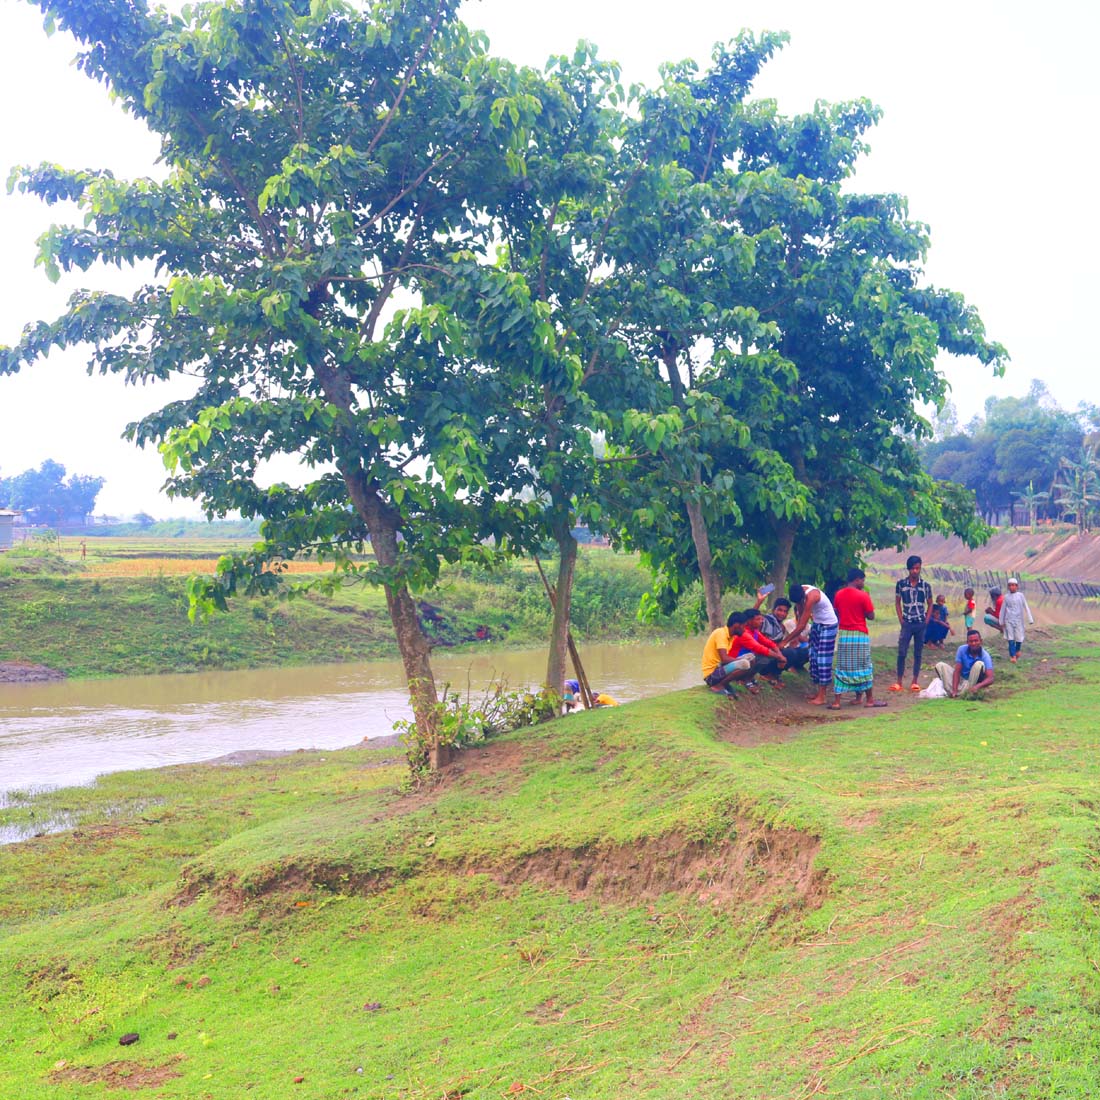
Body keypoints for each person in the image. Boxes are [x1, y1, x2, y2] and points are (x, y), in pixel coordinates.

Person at [828, 568, 884, 709]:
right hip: (859, 635)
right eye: (863, 580)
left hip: (844, 635)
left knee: (843, 666)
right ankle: (869, 699)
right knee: (864, 666)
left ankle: (837, 702)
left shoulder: (838, 595)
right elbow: (871, 616)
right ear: (857, 579)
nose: (863, 583)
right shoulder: (863, 595)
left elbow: (838, 612)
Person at [788, 582, 839, 706]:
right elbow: (800, 616)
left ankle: (822, 696)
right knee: (813, 656)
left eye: (800, 601)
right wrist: (794, 638)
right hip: (817, 624)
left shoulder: (812, 596)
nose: (799, 604)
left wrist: (786, 640)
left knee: (823, 660)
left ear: (803, 596)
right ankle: (818, 692)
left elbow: (801, 625)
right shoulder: (799, 593)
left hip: (828, 625)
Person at [891, 555, 933, 693]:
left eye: (918, 568)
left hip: (920, 622)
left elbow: (930, 603)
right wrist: (901, 620)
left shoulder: (925, 586)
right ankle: (899, 682)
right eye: (913, 568)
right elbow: (897, 602)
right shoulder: (901, 584)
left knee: (918, 652)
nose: (915, 571)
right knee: (902, 652)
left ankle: (915, 681)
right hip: (907, 622)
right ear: (908, 569)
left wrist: (926, 620)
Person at [700, 613, 757, 696]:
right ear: (736, 625)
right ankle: (718, 685)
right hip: (711, 676)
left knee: (751, 657)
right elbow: (724, 659)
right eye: (743, 626)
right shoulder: (721, 634)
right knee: (745, 663)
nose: (744, 630)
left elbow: (724, 660)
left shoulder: (731, 637)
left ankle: (728, 683)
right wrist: (741, 661)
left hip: (719, 668)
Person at [735, 608, 790, 687]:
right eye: (758, 619)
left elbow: (769, 643)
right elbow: (759, 648)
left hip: (747, 657)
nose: (761, 621)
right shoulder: (744, 633)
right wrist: (779, 657)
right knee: (762, 659)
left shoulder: (755, 631)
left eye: (761, 619)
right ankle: (743, 679)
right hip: (736, 659)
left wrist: (780, 655)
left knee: (765, 658)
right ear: (749, 621)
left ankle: (749, 677)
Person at [934, 629, 996, 697]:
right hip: (961, 679)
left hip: (972, 682)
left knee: (979, 664)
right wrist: (954, 690)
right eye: (971, 641)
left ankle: (965, 691)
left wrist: (977, 686)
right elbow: (957, 671)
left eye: (976, 641)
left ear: (980, 641)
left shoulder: (985, 656)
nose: (973, 643)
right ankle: (954, 692)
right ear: (967, 642)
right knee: (940, 665)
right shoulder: (961, 649)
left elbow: (990, 678)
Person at [756, 597, 810, 673]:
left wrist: (790, 646)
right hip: (761, 655)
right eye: (779, 610)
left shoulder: (782, 627)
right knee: (790, 653)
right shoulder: (765, 620)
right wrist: (759, 601)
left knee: (799, 652)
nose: (782, 614)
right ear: (773, 609)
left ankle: (774, 674)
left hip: (773, 654)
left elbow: (778, 645)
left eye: (785, 611)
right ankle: (767, 674)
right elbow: (750, 618)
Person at [998, 578, 1035, 663]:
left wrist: (1030, 619)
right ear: (1008, 587)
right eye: (1010, 585)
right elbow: (1003, 610)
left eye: (1013, 585)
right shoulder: (1006, 597)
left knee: (1019, 638)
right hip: (1009, 620)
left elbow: (1026, 606)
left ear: (1017, 586)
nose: (1011, 587)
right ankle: (1012, 656)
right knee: (1010, 638)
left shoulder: (1020, 596)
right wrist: (1001, 621)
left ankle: (1017, 651)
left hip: (1019, 620)